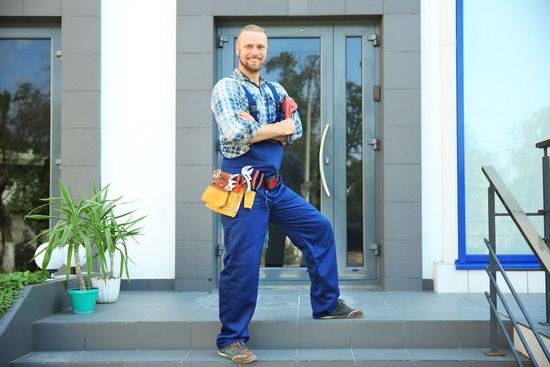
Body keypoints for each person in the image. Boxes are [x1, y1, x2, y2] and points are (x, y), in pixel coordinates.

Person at [210, 24, 364, 364]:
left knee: (318, 228)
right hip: (243, 189)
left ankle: (326, 304)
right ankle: (231, 339)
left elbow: (293, 130)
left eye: (260, 47)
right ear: (238, 49)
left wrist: (265, 130)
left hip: (274, 188)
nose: (255, 52)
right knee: (244, 263)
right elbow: (235, 132)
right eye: (249, 46)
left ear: (266, 50)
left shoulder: (275, 90)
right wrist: (274, 129)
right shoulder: (226, 88)